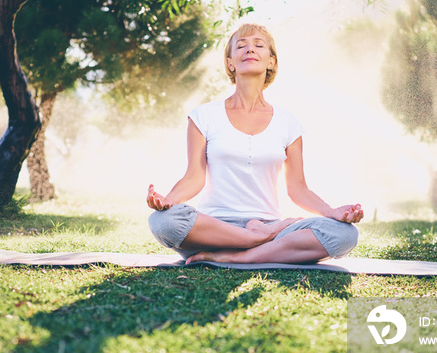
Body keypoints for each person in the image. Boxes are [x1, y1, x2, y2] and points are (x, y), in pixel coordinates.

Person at [146, 23, 363, 264]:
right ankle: (253, 242)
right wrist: (169, 200)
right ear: (231, 63)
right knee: (161, 221)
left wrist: (331, 213)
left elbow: (298, 189)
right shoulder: (203, 116)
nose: (250, 49)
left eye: (259, 45)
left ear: (271, 61)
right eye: (241, 45)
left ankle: (239, 258)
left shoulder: (287, 123)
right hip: (215, 231)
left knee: (344, 234)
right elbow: (194, 178)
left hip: (269, 225)